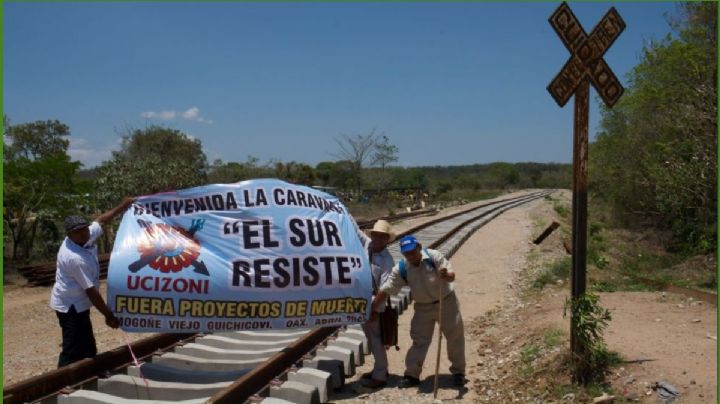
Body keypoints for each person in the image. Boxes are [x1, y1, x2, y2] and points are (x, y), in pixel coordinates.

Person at [50, 197, 135, 367]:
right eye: (77, 231)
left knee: (87, 344)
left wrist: (123, 205)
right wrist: (108, 315)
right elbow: (91, 291)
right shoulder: (73, 257)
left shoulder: (85, 236)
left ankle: (89, 372)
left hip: (79, 303)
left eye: (84, 229)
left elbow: (101, 220)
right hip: (69, 305)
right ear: (69, 234)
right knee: (73, 346)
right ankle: (63, 380)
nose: (83, 233)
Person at [372, 234, 466, 388]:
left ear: (419, 248)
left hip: (446, 302)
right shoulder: (402, 268)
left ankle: (458, 372)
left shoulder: (433, 257)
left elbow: (451, 276)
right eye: (407, 253)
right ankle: (412, 375)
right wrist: (373, 308)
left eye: (413, 251)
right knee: (419, 340)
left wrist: (445, 274)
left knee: (455, 336)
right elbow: (387, 288)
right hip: (423, 307)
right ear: (403, 254)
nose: (411, 256)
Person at [357, 220, 396, 388]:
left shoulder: (387, 261)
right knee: (370, 338)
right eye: (376, 235)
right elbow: (354, 228)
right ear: (371, 235)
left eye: (382, 236)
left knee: (376, 339)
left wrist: (373, 309)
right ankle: (379, 369)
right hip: (363, 301)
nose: (378, 239)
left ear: (387, 239)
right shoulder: (367, 246)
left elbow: (385, 289)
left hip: (375, 303)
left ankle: (380, 376)